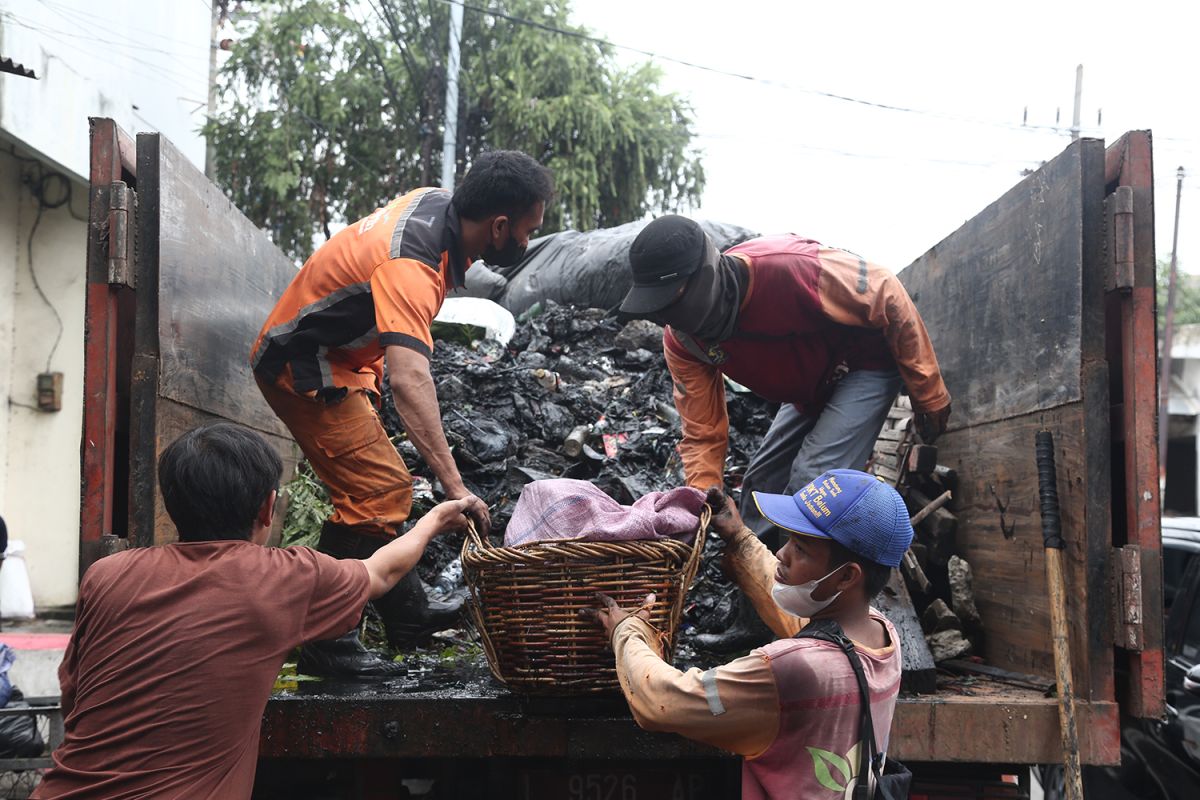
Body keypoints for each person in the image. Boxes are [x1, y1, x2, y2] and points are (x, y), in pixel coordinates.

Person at [33, 423, 484, 800]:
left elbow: (74, 698)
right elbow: (382, 573)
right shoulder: (283, 577)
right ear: (268, 508)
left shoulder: (106, 574)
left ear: (172, 504)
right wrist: (436, 520)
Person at [251, 150, 553, 676]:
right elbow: (411, 379)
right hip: (304, 364)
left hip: (342, 361)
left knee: (379, 486)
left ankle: (409, 615)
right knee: (378, 492)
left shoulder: (439, 209)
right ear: (499, 226)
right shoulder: (412, 263)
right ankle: (328, 641)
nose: (527, 242)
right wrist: (455, 485)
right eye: (528, 230)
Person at [618, 215, 949, 651]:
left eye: (671, 302)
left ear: (706, 278)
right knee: (760, 487)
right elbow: (701, 432)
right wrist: (704, 494)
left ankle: (815, 629)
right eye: (657, 308)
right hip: (805, 389)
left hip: (864, 366)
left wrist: (929, 394)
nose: (667, 319)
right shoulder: (683, 342)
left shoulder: (791, 268)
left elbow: (887, 290)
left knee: (813, 483)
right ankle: (755, 618)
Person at [588, 470, 911, 799]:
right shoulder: (882, 636)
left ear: (845, 578)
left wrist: (627, 631)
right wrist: (739, 539)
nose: (783, 553)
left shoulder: (789, 669)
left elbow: (662, 700)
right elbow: (799, 617)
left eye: (800, 548)